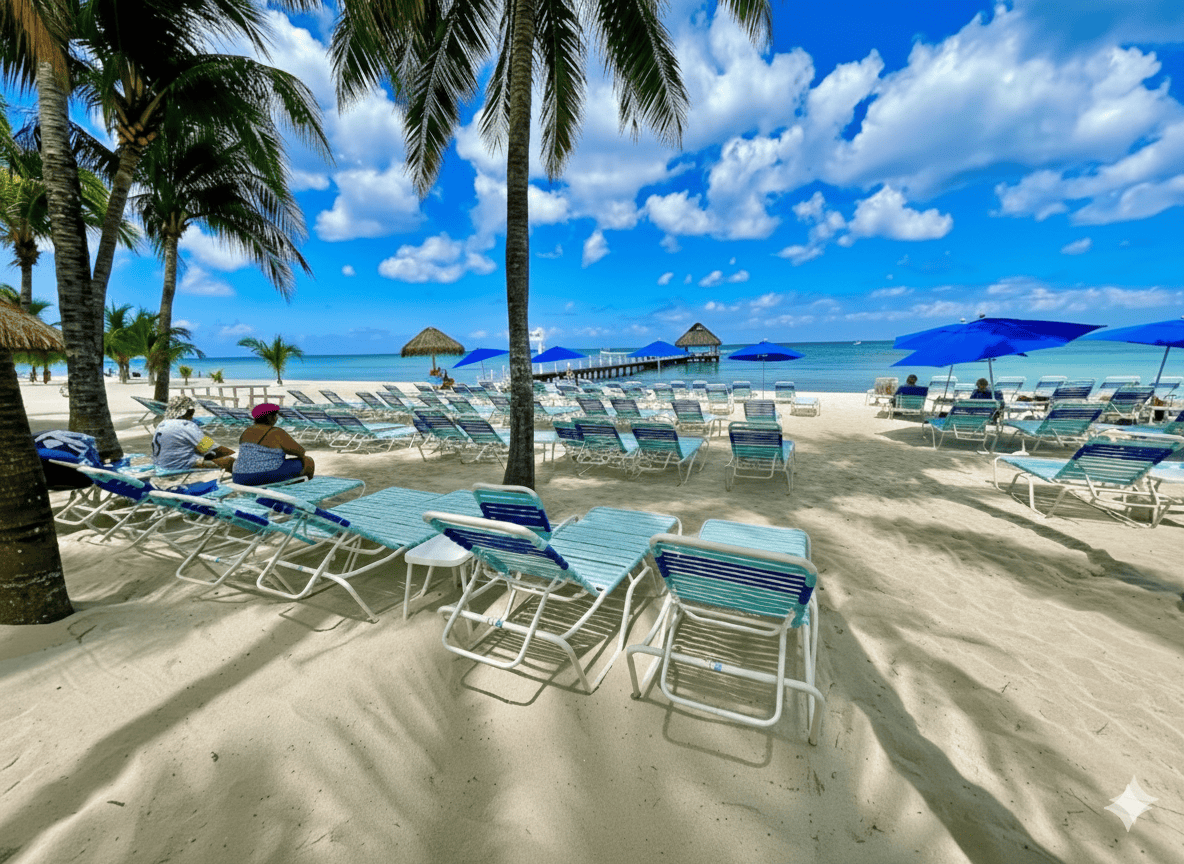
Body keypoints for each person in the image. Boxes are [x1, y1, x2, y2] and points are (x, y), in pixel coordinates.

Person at [232, 403, 314, 486]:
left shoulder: (247, 431)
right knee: (308, 461)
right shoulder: (276, 432)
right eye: (275, 416)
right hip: (260, 476)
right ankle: (298, 489)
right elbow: (300, 451)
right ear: (272, 418)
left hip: (238, 476)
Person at [152, 396, 235, 471]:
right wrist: (233, 455)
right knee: (229, 461)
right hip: (179, 466)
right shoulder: (186, 425)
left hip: (160, 465)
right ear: (188, 412)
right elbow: (210, 447)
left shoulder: (162, 424)